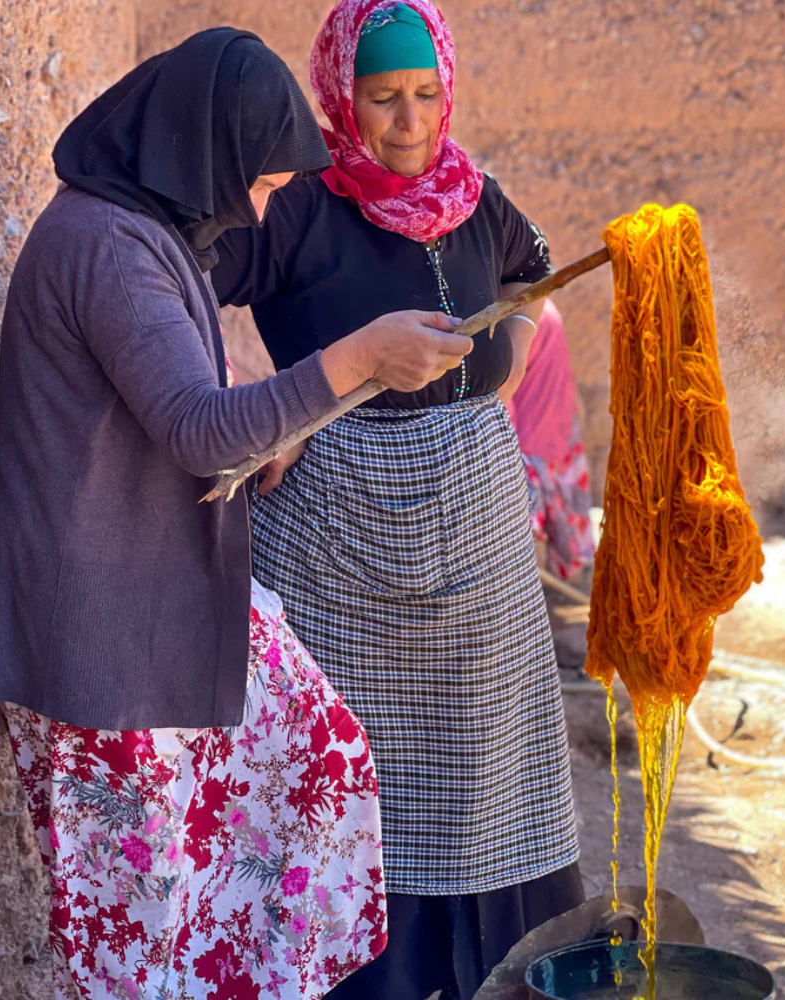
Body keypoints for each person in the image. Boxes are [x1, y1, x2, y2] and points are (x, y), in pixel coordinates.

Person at [0, 28, 475, 1000]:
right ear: (196, 154)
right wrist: (357, 358)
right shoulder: (107, 246)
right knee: (140, 915)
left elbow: (177, 389)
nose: (255, 211)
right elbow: (201, 432)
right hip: (97, 639)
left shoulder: (138, 236)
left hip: (154, 600)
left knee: (319, 755)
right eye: (254, 184)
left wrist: (269, 411)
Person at [211, 4, 583, 998]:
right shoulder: (295, 209)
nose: (409, 121)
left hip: (476, 540)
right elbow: (187, 287)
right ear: (342, 95)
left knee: (481, 777)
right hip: (334, 537)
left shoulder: (478, 196)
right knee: (345, 771)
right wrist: (262, 405)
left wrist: (495, 383)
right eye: (383, 98)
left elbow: (532, 274)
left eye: (424, 95)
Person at [508, 299, 596, 585]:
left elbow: (502, 392)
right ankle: (563, 598)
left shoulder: (515, 318)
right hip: (561, 430)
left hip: (530, 439)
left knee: (523, 531)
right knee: (560, 523)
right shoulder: (546, 308)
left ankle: (536, 606)